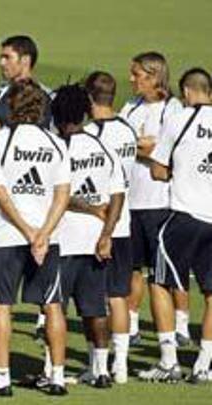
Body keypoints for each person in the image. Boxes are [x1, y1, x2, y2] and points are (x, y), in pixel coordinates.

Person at [0, 79, 70, 396]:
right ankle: (57, 377)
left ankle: (1, 379)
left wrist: (28, 231)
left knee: (1, 306)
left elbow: (0, 193)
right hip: (47, 239)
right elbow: (62, 194)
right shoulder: (57, 144)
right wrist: (42, 233)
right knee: (52, 305)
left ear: (11, 106)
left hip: (6, 236)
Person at [0, 35, 54, 339]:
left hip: (36, 192)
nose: (1, 62)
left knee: (41, 253)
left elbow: (55, 139)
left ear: (25, 60)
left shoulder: (48, 96)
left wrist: (4, 130)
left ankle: (44, 319)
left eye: (7, 57)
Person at [52, 84, 125, 389]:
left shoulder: (58, 149)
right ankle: (101, 370)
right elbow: (117, 195)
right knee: (94, 308)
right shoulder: (102, 148)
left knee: (55, 307)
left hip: (63, 239)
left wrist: (89, 208)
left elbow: (58, 195)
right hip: (96, 240)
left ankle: (52, 370)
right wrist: (107, 233)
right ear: (84, 112)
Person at [143, 68, 212, 383]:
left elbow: (158, 170)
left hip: (184, 217)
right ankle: (204, 365)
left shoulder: (179, 119)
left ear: (186, 92)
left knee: (159, 281)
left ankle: (169, 361)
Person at [119, 52, 188, 347]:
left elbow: (171, 154)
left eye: (137, 74)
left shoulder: (173, 109)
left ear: (154, 76)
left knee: (168, 270)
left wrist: (140, 148)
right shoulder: (130, 106)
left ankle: (181, 325)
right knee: (132, 268)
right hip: (130, 202)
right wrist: (145, 147)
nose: (131, 79)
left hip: (161, 202)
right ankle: (131, 324)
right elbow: (118, 143)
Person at [83, 71, 139, 383]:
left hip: (98, 223)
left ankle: (98, 364)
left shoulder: (92, 133)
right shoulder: (127, 129)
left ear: (90, 97)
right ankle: (121, 365)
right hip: (124, 221)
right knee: (119, 295)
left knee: (93, 297)